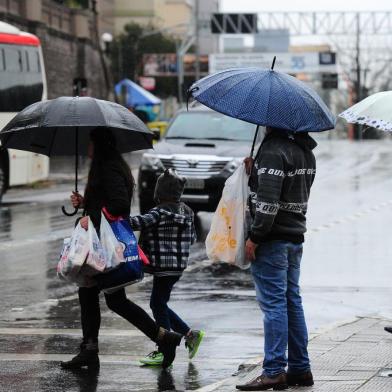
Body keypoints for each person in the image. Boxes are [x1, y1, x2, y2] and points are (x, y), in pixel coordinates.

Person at [61, 128, 182, 370]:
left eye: (91, 143)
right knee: (103, 297)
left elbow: (119, 205)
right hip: (102, 243)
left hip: (105, 245)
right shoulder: (110, 166)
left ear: (99, 145)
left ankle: (94, 349)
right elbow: (108, 200)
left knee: (102, 296)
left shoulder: (108, 168)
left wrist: (91, 216)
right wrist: (85, 203)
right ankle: (93, 348)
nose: (88, 149)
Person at [236, 127, 317, 391]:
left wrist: (255, 237)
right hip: (294, 237)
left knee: (274, 305)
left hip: (272, 240)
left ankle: (273, 371)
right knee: (292, 302)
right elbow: (290, 192)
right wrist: (256, 173)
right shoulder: (306, 152)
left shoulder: (273, 151)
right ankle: (300, 368)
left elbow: (269, 204)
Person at [129, 169, 205, 367]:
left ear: (159, 193)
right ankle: (190, 334)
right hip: (177, 267)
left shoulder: (158, 212)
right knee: (159, 303)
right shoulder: (187, 211)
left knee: (157, 304)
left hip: (162, 266)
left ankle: (164, 349)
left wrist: (114, 218)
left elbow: (136, 223)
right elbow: (194, 238)